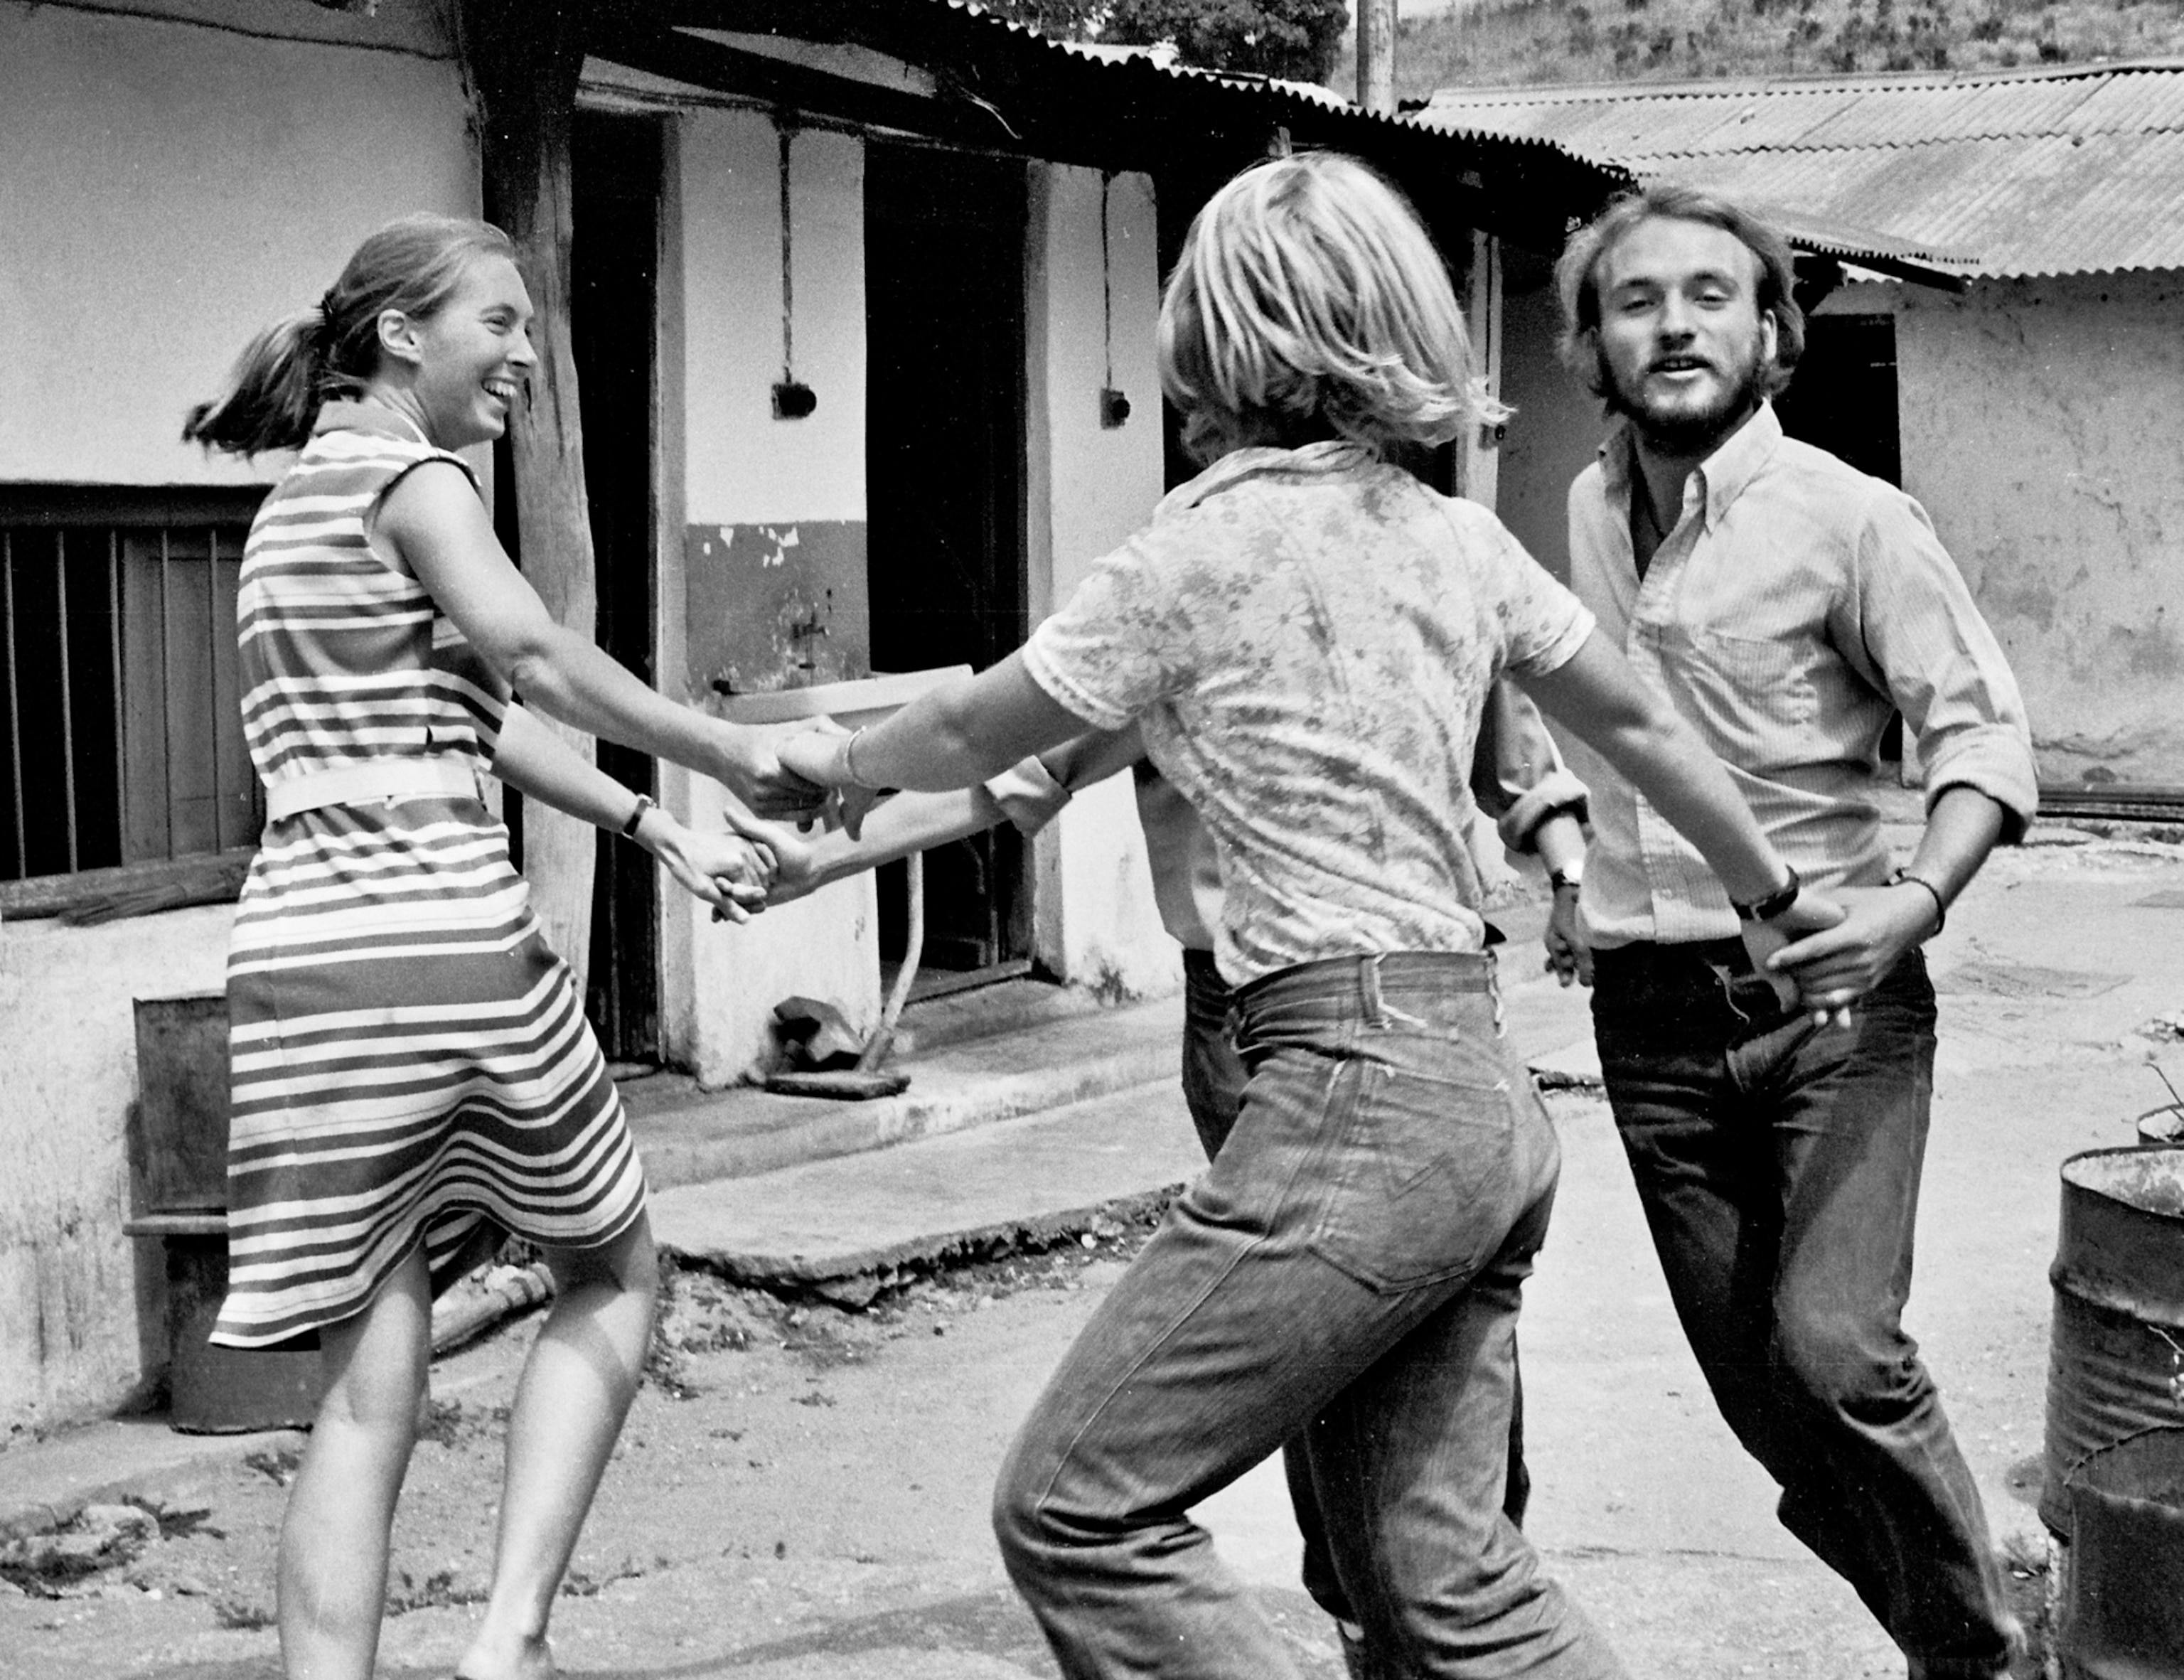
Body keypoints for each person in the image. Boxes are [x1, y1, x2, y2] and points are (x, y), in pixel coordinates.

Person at [774, 151, 1838, 1680]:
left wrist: (832, 764)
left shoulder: (1190, 553)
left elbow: (971, 733)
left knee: (1076, 1513)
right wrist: (1773, 899)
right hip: (1474, 1090)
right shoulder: (1458, 541)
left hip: (1347, 1087)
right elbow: (1653, 732)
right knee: (1447, 1582)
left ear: (1206, 339)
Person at [183, 213, 823, 1680]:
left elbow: (476, 716)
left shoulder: (293, 511)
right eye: (503, 323)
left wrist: (654, 828)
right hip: (445, 943)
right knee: (614, 1269)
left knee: (363, 1376)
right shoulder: (418, 479)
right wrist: (720, 746)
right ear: (402, 335)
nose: (530, 356)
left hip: (296, 977)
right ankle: (508, 1642)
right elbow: (532, 657)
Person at [750, 687, 1586, 1674]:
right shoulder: (1203, 584)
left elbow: (1517, 749)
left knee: (1433, 1407)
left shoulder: (1424, 548)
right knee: (1320, 1356)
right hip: (1270, 1019)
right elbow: (1019, 758)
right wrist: (833, 847)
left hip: (1429, 992)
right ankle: (1388, 1633)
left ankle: (1439, 1624)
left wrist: (1570, 878)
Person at [1546, 183, 2038, 1679]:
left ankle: (1989, 1653)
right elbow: (1601, 732)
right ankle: (1973, 1622)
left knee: (1838, 1352)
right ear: (1591, 344)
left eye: (1713, 294)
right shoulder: (1581, 509)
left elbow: (1986, 740)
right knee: (1764, 1395)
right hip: (1647, 1020)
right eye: (1637, 299)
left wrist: (1912, 907)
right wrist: (1571, 858)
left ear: (1772, 334)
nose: (1676, 322)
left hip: (1834, 1009)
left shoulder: (1851, 518)